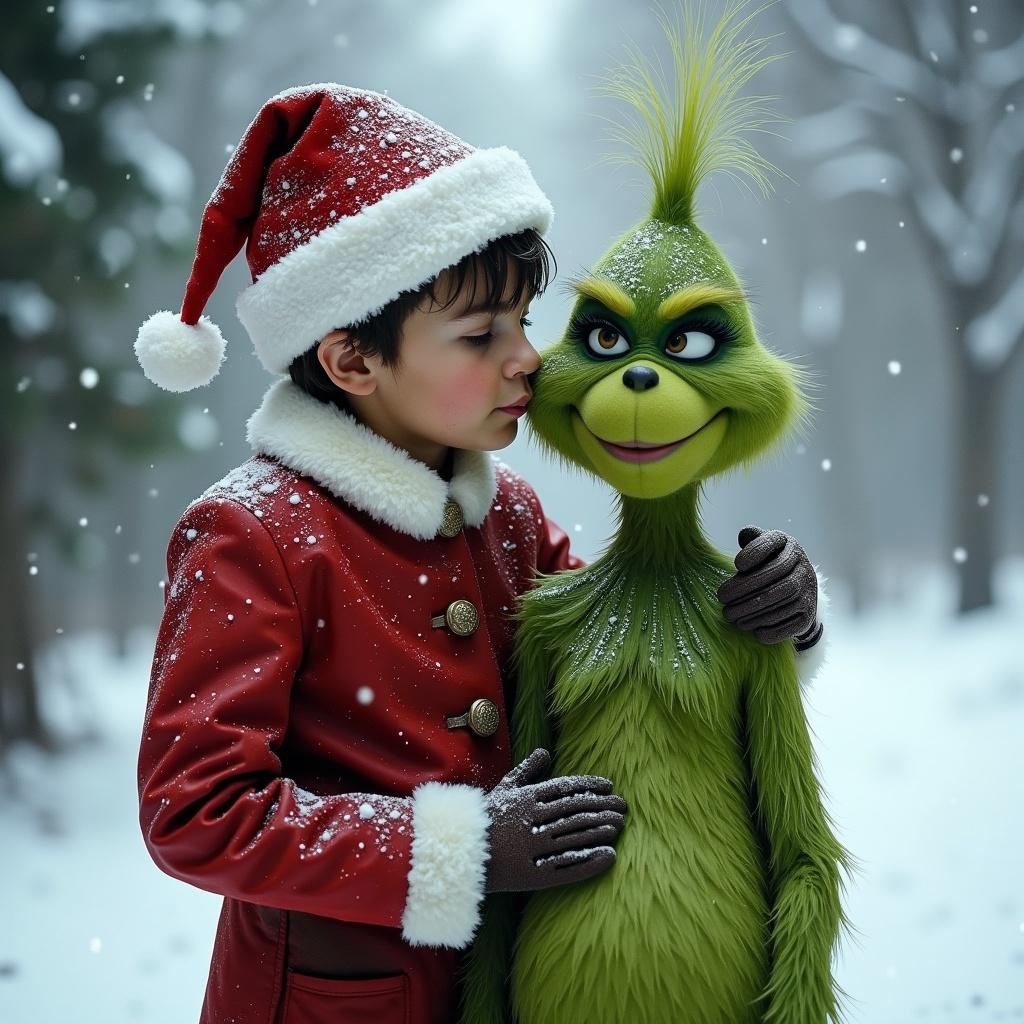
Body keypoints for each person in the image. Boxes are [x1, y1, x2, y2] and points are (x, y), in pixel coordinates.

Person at [134, 83, 827, 1024]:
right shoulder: (252, 533)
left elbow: (618, 669)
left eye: (525, 322)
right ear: (352, 361)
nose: (529, 360)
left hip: (503, 987)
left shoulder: (509, 517)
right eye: (481, 334)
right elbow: (197, 811)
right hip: (331, 1001)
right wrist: (457, 850)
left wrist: (767, 613)